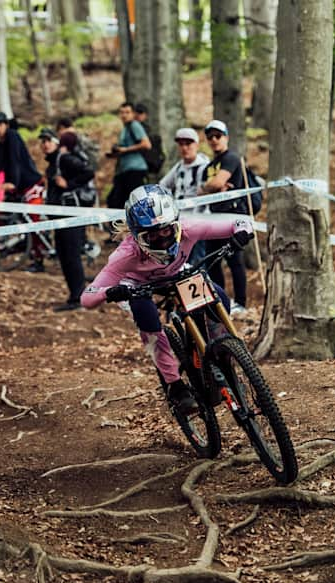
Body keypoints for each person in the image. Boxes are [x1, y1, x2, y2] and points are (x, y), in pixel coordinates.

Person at [81, 184, 253, 414]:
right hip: (138, 285)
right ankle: (175, 385)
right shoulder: (125, 255)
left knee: (219, 297)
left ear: (176, 224)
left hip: (178, 272)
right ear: (136, 235)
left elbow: (239, 221)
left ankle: (219, 354)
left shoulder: (189, 229)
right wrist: (109, 292)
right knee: (147, 318)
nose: (162, 238)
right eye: (152, 235)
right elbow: (87, 298)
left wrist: (242, 233)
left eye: (166, 230)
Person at [39, 129, 94, 311]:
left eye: (48, 140)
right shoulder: (53, 163)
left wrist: (69, 185)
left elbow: (88, 172)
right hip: (60, 216)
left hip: (71, 215)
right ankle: (74, 296)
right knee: (64, 255)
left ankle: (79, 298)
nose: (45, 144)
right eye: (42, 141)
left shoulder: (63, 159)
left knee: (71, 256)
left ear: (57, 143)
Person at [199, 119, 249, 316]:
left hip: (234, 215)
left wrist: (215, 184)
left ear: (226, 137)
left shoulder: (232, 158)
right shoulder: (208, 165)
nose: (214, 140)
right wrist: (212, 186)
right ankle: (221, 300)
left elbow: (218, 182)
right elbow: (202, 190)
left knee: (234, 258)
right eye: (210, 137)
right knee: (212, 259)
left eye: (217, 136)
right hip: (215, 216)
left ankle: (241, 303)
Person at [0, 111, 46, 272]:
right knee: (0, 215)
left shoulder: (13, 137)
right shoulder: (1, 143)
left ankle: (39, 257)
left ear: (5, 124)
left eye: (0, 125)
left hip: (29, 184)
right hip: (16, 189)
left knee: (33, 220)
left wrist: (12, 182)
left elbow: (15, 162)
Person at [159, 127, 209, 263]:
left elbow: (203, 198)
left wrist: (195, 222)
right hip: (179, 224)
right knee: (180, 262)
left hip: (196, 223)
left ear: (196, 145)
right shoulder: (179, 167)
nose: (184, 148)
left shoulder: (203, 167)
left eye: (188, 144)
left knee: (196, 263)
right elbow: (162, 186)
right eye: (181, 144)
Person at [105, 102, 151, 210]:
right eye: (122, 112)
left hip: (135, 170)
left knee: (134, 202)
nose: (124, 115)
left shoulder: (134, 125)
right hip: (124, 171)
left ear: (133, 114)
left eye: (127, 112)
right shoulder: (125, 129)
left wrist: (125, 149)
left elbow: (146, 144)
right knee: (115, 201)